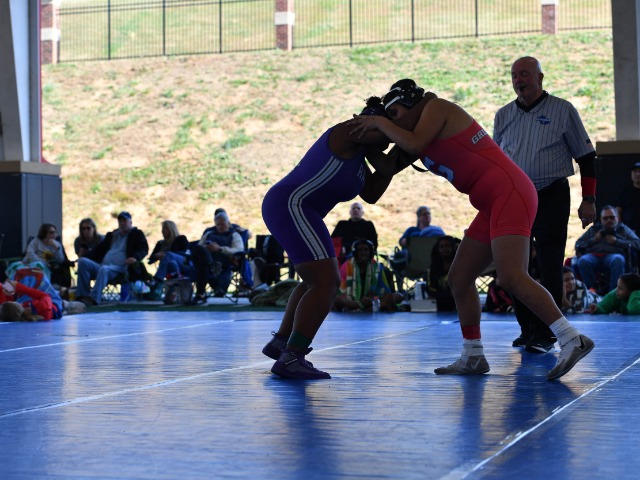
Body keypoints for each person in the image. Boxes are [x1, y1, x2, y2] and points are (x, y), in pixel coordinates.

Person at [349, 78, 594, 380]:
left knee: (512, 276)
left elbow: (411, 143)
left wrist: (377, 122)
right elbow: (377, 184)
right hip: (493, 202)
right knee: (459, 278)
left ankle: (571, 338)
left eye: (395, 114)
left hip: (509, 192)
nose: (394, 122)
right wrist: (361, 146)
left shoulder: (436, 108)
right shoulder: (415, 135)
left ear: (412, 103)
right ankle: (473, 355)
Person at [261, 96, 412, 380]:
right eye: (386, 127)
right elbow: (381, 139)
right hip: (292, 204)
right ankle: (291, 356)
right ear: (372, 122)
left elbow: (373, 192)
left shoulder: (360, 162)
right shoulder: (347, 131)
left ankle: (282, 342)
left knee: (315, 281)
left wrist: (404, 154)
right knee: (327, 282)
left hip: (297, 208)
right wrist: (410, 136)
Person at [493, 56, 598, 354]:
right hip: (514, 197)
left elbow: (586, 157)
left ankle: (547, 333)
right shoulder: (503, 115)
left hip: (551, 193)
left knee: (549, 263)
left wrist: (588, 200)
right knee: (515, 266)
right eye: (514, 75)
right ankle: (527, 329)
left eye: (525, 74)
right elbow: (495, 161)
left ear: (540, 78)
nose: (519, 80)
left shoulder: (563, 110)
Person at [75, 211, 149, 306]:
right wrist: (85, 257)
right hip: (103, 266)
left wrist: (135, 257)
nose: (122, 223)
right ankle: (82, 296)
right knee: (83, 262)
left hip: (121, 268)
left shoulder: (136, 234)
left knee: (104, 269)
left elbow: (144, 249)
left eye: (124, 221)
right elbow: (98, 250)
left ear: (130, 222)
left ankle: (93, 298)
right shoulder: (112, 235)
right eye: (120, 221)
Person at [574, 205, 640, 295]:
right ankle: (592, 291)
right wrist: (594, 239)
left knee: (618, 260)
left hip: (614, 255)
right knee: (583, 260)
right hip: (593, 255)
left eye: (612, 217)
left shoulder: (623, 229)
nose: (609, 220)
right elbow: (578, 243)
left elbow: (637, 243)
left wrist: (617, 242)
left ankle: (613, 293)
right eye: (605, 218)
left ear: (617, 218)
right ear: (601, 219)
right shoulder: (594, 229)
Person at [190, 210, 245, 303]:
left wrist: (220, 249)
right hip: (207, 259)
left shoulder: (234, 235)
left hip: (225, 260)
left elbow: (238, 250)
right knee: (198, 252)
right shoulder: (209, 234)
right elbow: (199, 247)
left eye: (222, 224)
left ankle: (200, 293)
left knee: (203, 266)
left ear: (228, 223)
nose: (220, 226)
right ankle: (202, 290)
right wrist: (207, 248)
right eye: (218, 224)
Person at [332, 239, 400, 312]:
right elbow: (340, 291)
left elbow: (384, 290)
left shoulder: (377, 267)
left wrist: (372, 298)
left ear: (371, 252)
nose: (363, 253)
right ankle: (360, 306)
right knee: (337, 299)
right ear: (355, 252)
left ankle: (368, 307)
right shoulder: (346, 266)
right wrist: (358, 303)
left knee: (398, 296)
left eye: (366, 250)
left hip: (371, 301)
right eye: (360, 250)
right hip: (351, 302)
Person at [148, 220, 192, 296]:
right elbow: (150, 260)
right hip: (170, 268)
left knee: (169, 255)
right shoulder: (160, 243)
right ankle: (172, 293)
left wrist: (167, 255)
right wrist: (156, 255)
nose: (163, 231)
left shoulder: (181, 239)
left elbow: (186, 254)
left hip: (184, 263)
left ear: (171, 229)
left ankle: (156, 280)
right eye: (162, 228)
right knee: (171, 263)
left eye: (165, 228)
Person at [427, 235, 460, 311]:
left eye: (447, 246)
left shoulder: (460, 266)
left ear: (453, 248)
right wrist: (445, 294)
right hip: (438, 301)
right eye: (441, 247)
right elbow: (430, 287)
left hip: (457, 302)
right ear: (437, 249)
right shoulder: (432, 268)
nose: (444, 248)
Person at [616, 161, 640, 236]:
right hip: (629, 232)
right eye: (635, 172)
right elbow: (618, 212)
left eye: (639, 171)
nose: (638, 174)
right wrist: (621, 229)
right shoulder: (624, 192)